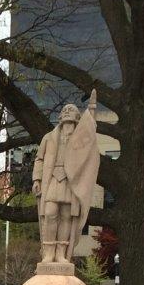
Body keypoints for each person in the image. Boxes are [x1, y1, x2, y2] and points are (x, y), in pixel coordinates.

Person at [32, 89, 100, 264]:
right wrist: (37, 179)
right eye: (65, 110)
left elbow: (90, 134)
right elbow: (39, 159)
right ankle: (48, 252)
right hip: (52, 179)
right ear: (60, 117)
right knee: (50, 213)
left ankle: (61, 253)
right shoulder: (49, 138)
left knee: (66, 216)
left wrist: (92, 110)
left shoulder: (80, 140)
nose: (68, 112)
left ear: (77, 118)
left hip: (71, 181)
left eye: (71, 110)